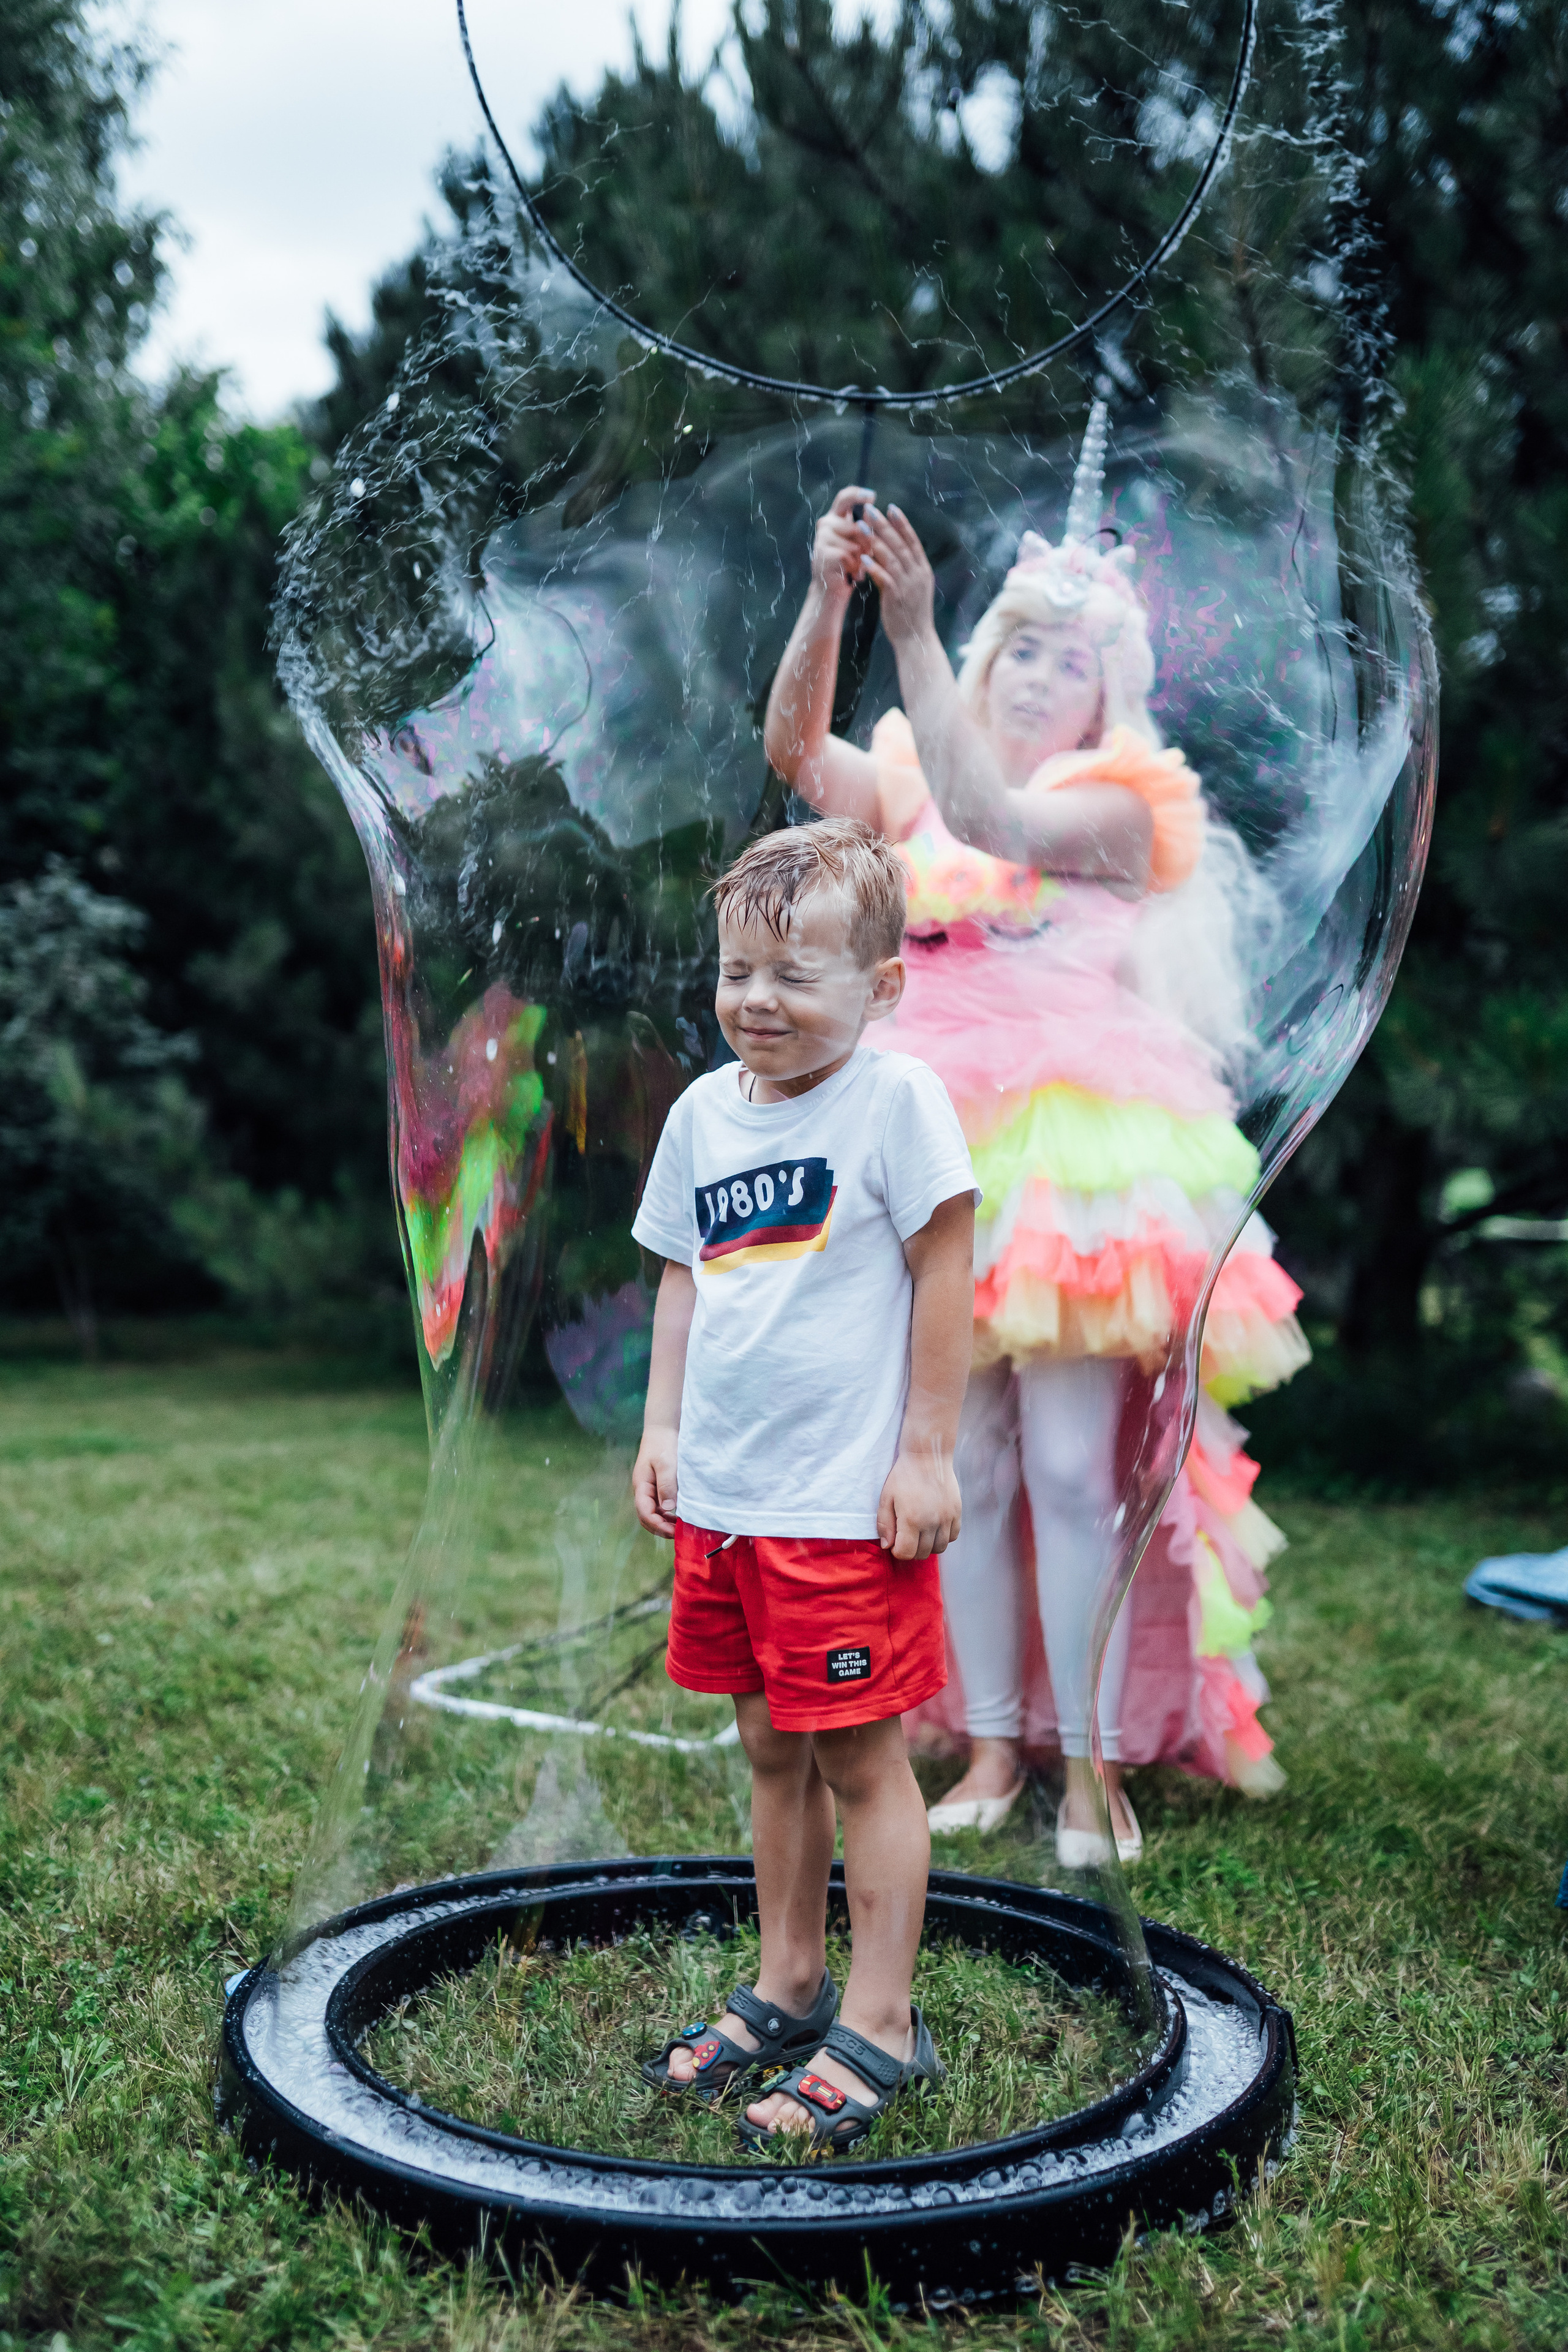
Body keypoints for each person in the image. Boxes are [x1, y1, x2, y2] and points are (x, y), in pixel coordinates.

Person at [761, 439, 1308, 1869]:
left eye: (1064, 659)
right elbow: (791, 758)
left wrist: (915, 627)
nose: (1028, 675)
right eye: (1015, 649)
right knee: (971, 1462)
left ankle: (1088, 1767)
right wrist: (831, 603)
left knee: (1073, 1469)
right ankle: (992, 1741)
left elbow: (996, 817)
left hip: (1071, 1151)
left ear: (1106, 690)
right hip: (926, 1138)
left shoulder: (1127, 803)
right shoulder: (904, 774)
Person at [630, 818, 980, 2151]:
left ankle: (883, 2022)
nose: (753, 1002)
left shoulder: (895, 1103)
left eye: (792, 976)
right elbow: (682, 1275)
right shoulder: (699, 1115)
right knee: (768, 1746)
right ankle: (787, 1983)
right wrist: (664, 1431)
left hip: (840, 1512)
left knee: (856, 1758)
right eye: (734, 972)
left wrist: (925, 1450)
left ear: (880, 986)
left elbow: (946, 1269)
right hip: (727, 1505)